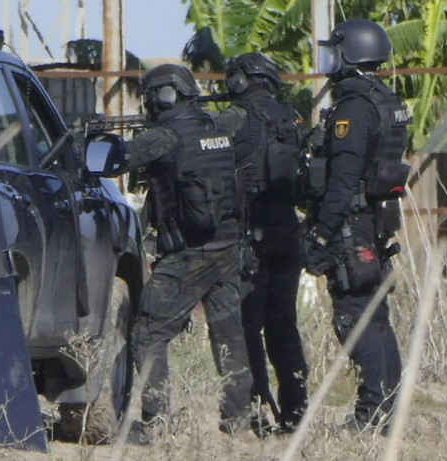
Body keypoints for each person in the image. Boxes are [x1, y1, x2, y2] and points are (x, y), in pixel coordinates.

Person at [116, 63, 253, 443]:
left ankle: (155, 422)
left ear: (164, 96)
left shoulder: (166, 135)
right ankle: (238, 421)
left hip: (190, 254)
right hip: (227, 247)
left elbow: (119, 158)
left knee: (147, 330)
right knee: (229, 334)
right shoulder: (217, 129)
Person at [305, 19, 411, 433]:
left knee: (354, 315)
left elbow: (344, 180)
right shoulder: (387, 100)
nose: (328, 61)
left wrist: (320, 234)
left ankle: (371, 414)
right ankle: (388, 410)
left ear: (352, 54)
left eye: (335, 52)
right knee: (376, 317)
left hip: (351, 224)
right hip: (375, 219)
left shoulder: (354, 108)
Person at [216, 52, 310, 434]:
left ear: (241, 80)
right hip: (288, 229)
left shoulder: (233, 119)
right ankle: (295, 411)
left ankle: (255, 411)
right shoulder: (292, 118)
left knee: (247, 326)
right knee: (284, 325)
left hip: (249, 232)